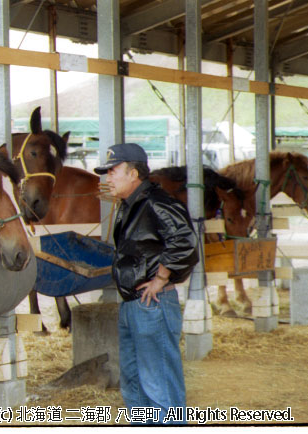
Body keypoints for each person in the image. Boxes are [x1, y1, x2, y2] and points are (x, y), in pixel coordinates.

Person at [94, 143, 199, 425]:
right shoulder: (132, 204)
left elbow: (186, 243)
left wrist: (162, 278)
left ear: (133, 173)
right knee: (134, 383)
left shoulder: (156, 202)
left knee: (158, 384)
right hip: (134, 304)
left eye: (113, 171)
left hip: (152, 303)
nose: (108, 178)